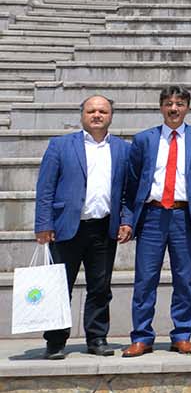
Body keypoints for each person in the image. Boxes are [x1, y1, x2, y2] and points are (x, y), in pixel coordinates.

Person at [121, 86, 191, 357]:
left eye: (179, 104)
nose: (174, 109)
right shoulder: (144, 140)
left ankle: (183, 334)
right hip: (152, 215)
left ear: (187, 107)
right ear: (161, 107)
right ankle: (142, 336)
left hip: (184, 216)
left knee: (185, 278)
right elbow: (132, 182)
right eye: (168, 103)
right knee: (145, 279)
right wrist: (128, 218)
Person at [33, 95, 134, 359]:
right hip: (65, 228)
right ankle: (55, 341)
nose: (97, 115)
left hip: (103, 229)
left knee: (100, 287)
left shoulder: (123, 149)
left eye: (103, 111)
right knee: (59, 287)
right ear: (82, 115)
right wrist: (43, 223)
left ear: (111, 116)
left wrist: (126, 220)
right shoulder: (60, 145)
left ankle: (97, 337)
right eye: (92, 111)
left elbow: (127, 192)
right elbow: (45, 188)